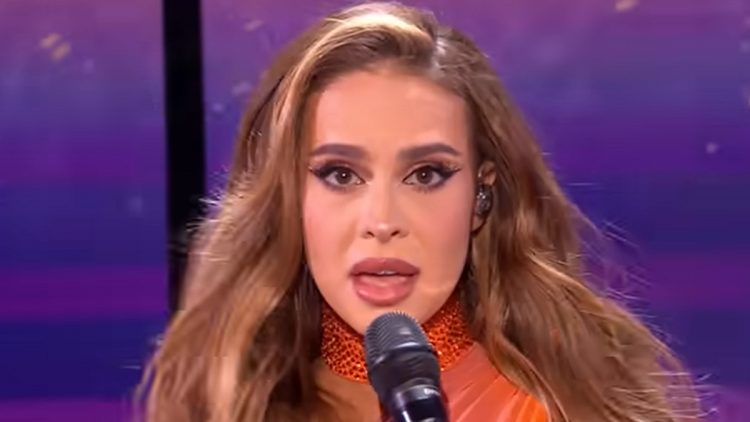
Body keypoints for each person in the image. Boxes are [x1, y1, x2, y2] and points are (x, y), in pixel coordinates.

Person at [140, 2, 701, 421]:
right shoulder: (225, 402)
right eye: (340, 175)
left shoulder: (562, 407)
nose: (382, 221)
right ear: (288, 197)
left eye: (426, 175)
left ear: (481, 197)